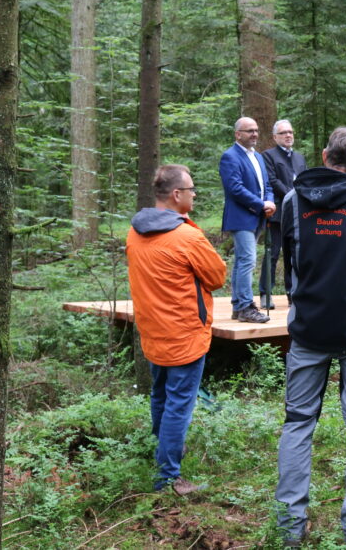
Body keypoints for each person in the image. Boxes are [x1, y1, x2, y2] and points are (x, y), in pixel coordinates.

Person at [274, 127, 346, 549]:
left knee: (297, 423)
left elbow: (290, 259)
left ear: (324, 155)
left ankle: (290, 525)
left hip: (307, 330)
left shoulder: (291, 201)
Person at [126, 164, 227, 495]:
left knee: (160, 394)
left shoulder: (134, 231)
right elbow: (217, 277)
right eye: (191, 189)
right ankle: (168, 477)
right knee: (179, 404)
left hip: (152, 331)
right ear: (176, 195)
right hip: (184, 334)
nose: (194, 194)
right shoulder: (187, 236)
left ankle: (165, 450)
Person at [219, 117, 275, 323]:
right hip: (240, 217)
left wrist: (269, 202)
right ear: (237, 134)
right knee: (247, 260)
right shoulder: (230, 157)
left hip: (257, 216)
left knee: (243, 260)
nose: (254, 134)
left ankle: (238, 306)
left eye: (256, 130)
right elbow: (234, 189)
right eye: (249, 130)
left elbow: (267, 185)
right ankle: (245, 306)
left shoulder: (258, 157)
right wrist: (261, 204)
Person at [262, 118, 307, 308]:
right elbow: (272, 180)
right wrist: (291, 195)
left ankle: (293, 292)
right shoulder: (268, 155)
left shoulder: (299, 157)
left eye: (290, 132)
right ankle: (266, 293)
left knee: (294, 255)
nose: (288, 135)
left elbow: (305, 179)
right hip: (278, 212)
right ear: (275, 137)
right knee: (272, 253)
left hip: (298, 213)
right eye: (283, 133)